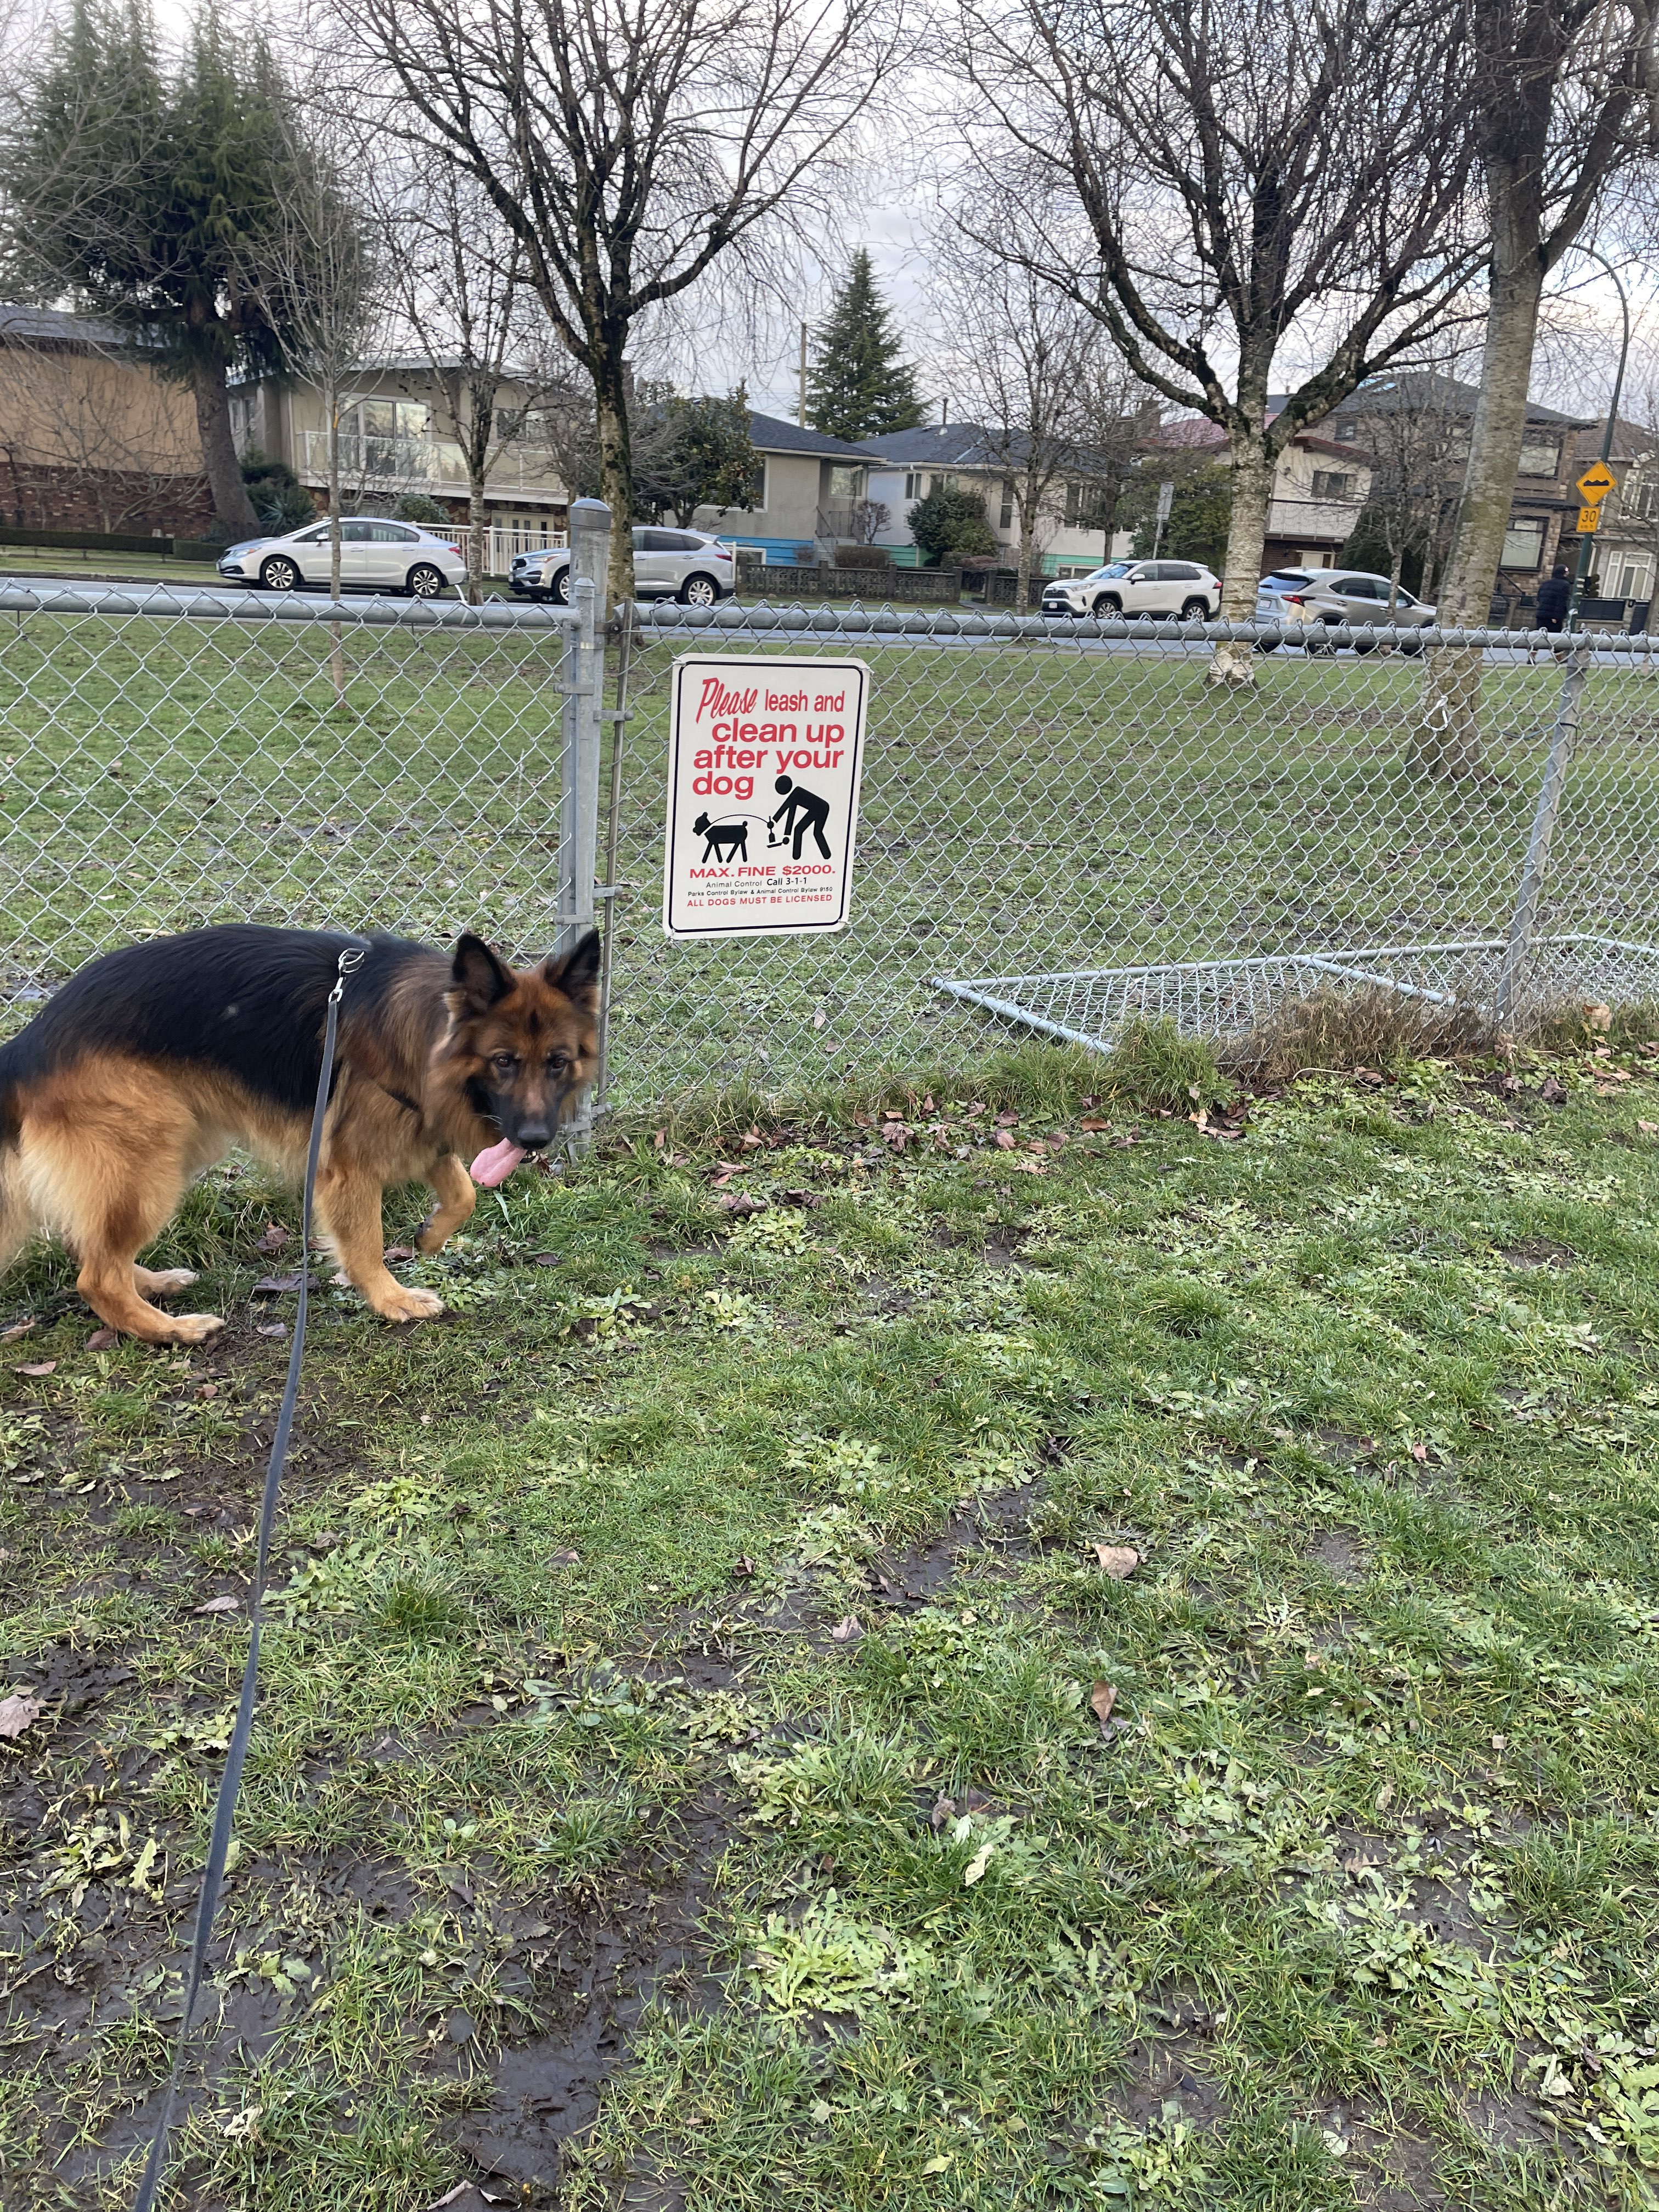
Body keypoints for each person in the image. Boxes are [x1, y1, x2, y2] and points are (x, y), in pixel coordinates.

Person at [1535, 563, 1572, 632]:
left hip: (1541, 615)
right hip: (1553, 618)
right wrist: (1557, 617)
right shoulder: (1565, 585)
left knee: (1540, 635)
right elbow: (1561, 602)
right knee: (1554, 636)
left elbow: (1539, 599)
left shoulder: (1545, 584)